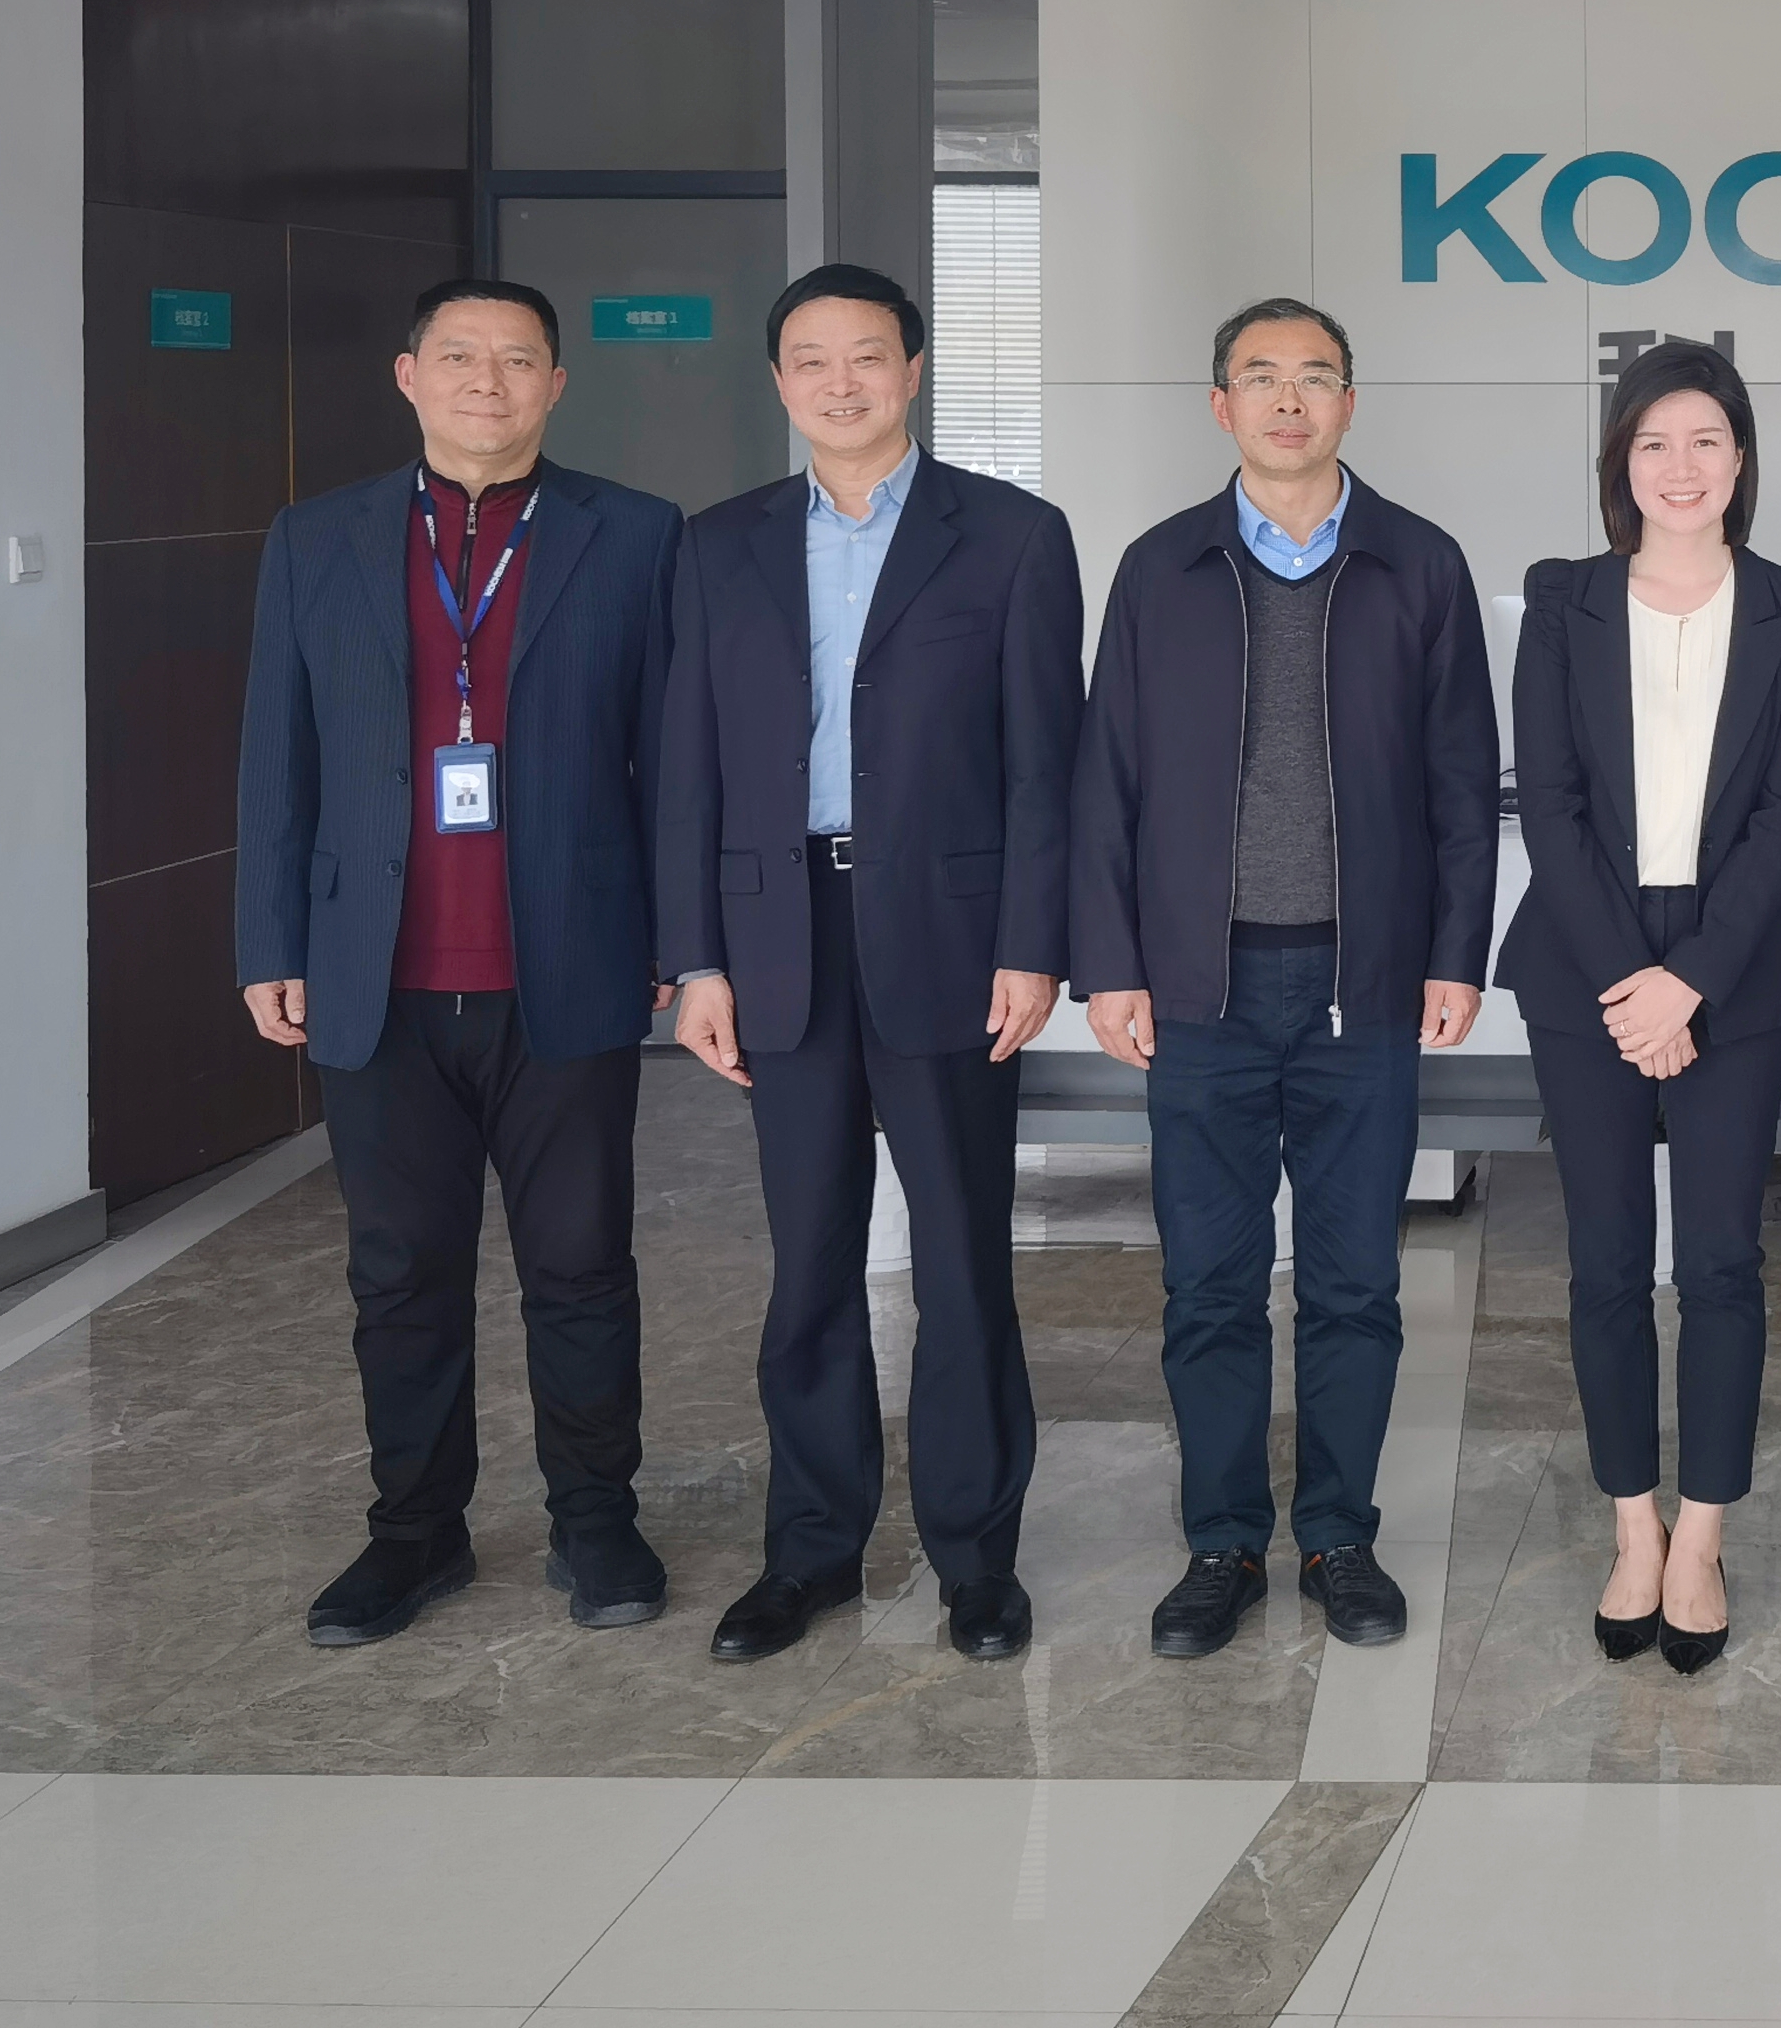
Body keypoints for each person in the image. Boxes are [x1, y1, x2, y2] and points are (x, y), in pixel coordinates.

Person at [234, 280, 681, 1647]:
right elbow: (277, 754)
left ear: (556, 385)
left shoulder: (634, 534)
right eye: (462, 356)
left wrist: (684, 944)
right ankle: (413, 1532)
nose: (489, 380)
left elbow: (673, 760)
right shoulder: (317, 538)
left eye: (518, 360)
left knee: (581, 1265)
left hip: (571, 967)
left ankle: (595, 1519)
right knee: (400, 1274)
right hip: (376, 973)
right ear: (409, 374)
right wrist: (270, 939)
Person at [658, 266, 1083, 1667]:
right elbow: (687, 765)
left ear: (912, 370)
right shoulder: (718, 546)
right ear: (779, 381)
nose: (839, 383)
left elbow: (1046, 763)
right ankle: (810, 1550)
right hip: (777, 940)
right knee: (809, 1264)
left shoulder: (1012, 536)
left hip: (951, 942)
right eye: (810, 360)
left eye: (866, 356)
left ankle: (976, 1557)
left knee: (961, 1259)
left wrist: (1033, 944)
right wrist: (695, 959)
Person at [1072, 298, 1499, 1662]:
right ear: (1222, 406)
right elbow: (1108, 779)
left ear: (1349, 403)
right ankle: (1220, 1542)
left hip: (1360, 984)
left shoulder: (1419, 564)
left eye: (1315, 377)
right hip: (1197, 987)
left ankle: (1337, 1536)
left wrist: (1456, 954)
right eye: (1261, 377)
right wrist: (1110, 963)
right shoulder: (1161, 568)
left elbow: (1462, 787)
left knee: (1354, 1283)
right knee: (1207, 1284)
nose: (1289, 400)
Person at [1495, 340, 1781, 1675]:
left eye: (1705, 440)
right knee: (1602, 1265)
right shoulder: (1563, 598)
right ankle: (1631, 1529)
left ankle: (1701, 1540)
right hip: (1584, 959)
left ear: (1741, 457)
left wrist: (1689, 978)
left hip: (1733, 965)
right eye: (1652, 443)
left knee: (1720, 1266)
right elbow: (1551, 803)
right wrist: (1627, 983)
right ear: (1619, 462)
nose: (1679, 467)